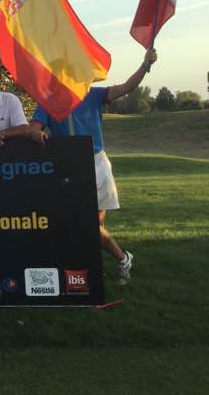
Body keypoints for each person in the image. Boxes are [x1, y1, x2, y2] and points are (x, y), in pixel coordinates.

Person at [30, 48, 158, 285]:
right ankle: (120, 259)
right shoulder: (48, 102)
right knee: (85, 224)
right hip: (69, 168)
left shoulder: (93, 95)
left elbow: (128, 86)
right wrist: (36, 133)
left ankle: (98, 269)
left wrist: (145, 65)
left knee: (93, 225)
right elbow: (34, 126)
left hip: (97, 164)